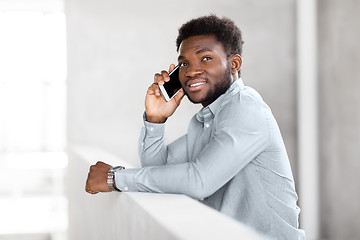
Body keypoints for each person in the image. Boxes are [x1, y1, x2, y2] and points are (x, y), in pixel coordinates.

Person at [85, 15, 306, 239]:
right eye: (184, 63)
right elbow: (158, 169)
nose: (191, 71)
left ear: (234, 64)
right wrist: (155, 119)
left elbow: (200, 181)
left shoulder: (246, 109)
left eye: (206, 58)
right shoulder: (206, 120)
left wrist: (115, 178)